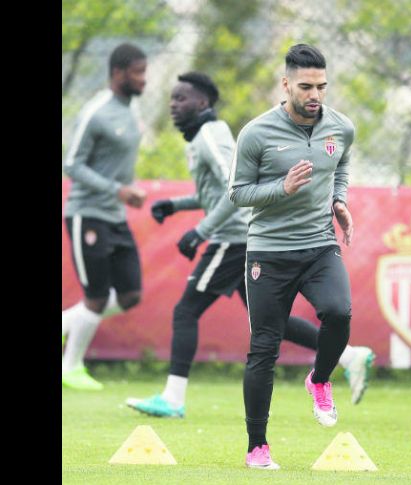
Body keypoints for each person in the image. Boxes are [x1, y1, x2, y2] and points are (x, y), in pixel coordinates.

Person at [124, 72, 374, 419]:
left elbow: (235, 191)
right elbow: (218, 192)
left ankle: (173, 397)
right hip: (242, 238)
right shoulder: (203, 136)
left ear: (203, 103)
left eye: (181, 99)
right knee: (272, 324)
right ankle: (348, 355)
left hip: (235, 238)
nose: (174, 107)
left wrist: (200, 231)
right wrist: (177, 204)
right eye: (171, 100)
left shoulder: (212, 136)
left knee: (186, 311)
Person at [228, 44, 355, 470]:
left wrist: (338, 201)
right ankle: (257, 447)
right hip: (269, 252)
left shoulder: (341, 128)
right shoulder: (256, 133)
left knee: (338, 313)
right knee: (263, 349)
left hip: (319, 245)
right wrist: (280, 189)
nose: (314, 93)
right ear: (286, 84)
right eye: (305, 86)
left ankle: (319, 380)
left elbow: (341, 166)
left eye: (321, 85)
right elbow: (239, 194)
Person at [62, 43, 149, 391]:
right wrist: (118, 190)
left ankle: (69, 325)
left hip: (115, 215)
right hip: (87, 214)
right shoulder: (96, 111)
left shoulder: (133, 108)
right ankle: (71, 367)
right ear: (117, 73)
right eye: (138, 73)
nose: (144, 80)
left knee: (130, 294)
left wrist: (127, 190)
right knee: (95, 297)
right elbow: (71, 164)